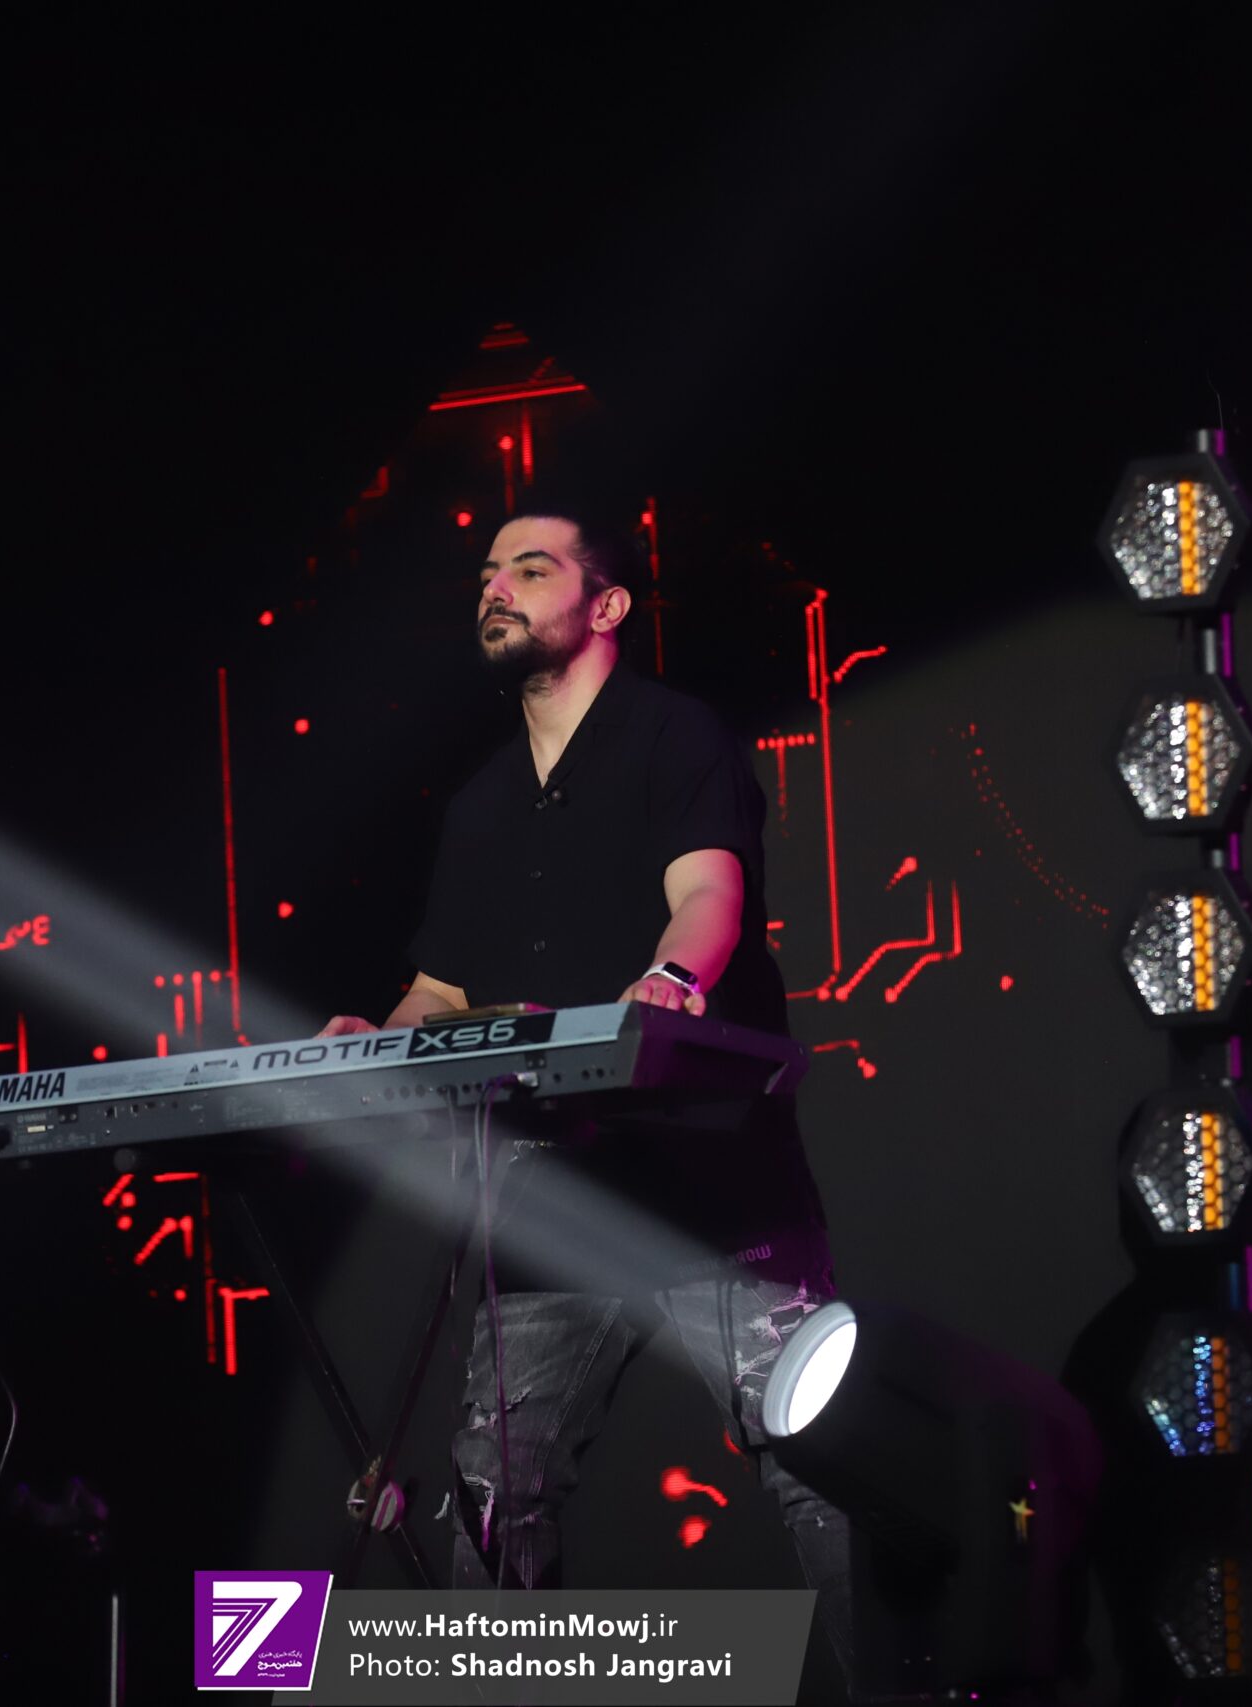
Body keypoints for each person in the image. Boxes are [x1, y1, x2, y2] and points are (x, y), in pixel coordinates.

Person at [316, 503, 852, 1676]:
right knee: (494, 1485)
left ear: (604, 604)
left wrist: (670, 980)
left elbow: (707, 893)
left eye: (529, 568)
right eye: (486, 572)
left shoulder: (674, 736)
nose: (494, 588)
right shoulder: (479, 804)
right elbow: (443, 986)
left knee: (816, 1459)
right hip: (552, 1191)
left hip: (714, 1182)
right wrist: (377, 1039)